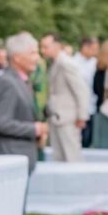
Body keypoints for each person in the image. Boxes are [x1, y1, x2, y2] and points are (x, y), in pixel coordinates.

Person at [0, 32, 48, 173]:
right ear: (17, 57)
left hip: (20, 158)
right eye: (33, 53)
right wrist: (35, 129)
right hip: (10, 159)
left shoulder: (21, 81)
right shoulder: (7, 82)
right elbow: (1, 123)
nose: (37, 58)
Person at [40, 33, 89, 162]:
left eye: (46, 47)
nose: (43, 50)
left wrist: (82, 116)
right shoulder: (55, 63)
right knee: (60, 157)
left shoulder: (66, 63)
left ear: (57, 46)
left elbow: (81, 90)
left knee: (72, 157)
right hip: (57, 117)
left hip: (68, 118)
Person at [73, 36, 100, 147]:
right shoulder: (73, 63)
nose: (96, 52)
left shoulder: (96, 63)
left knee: (89, 138)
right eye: (93, 49)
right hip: (77, 107)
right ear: (85, 47)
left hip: (92, 105)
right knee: (79, 138)